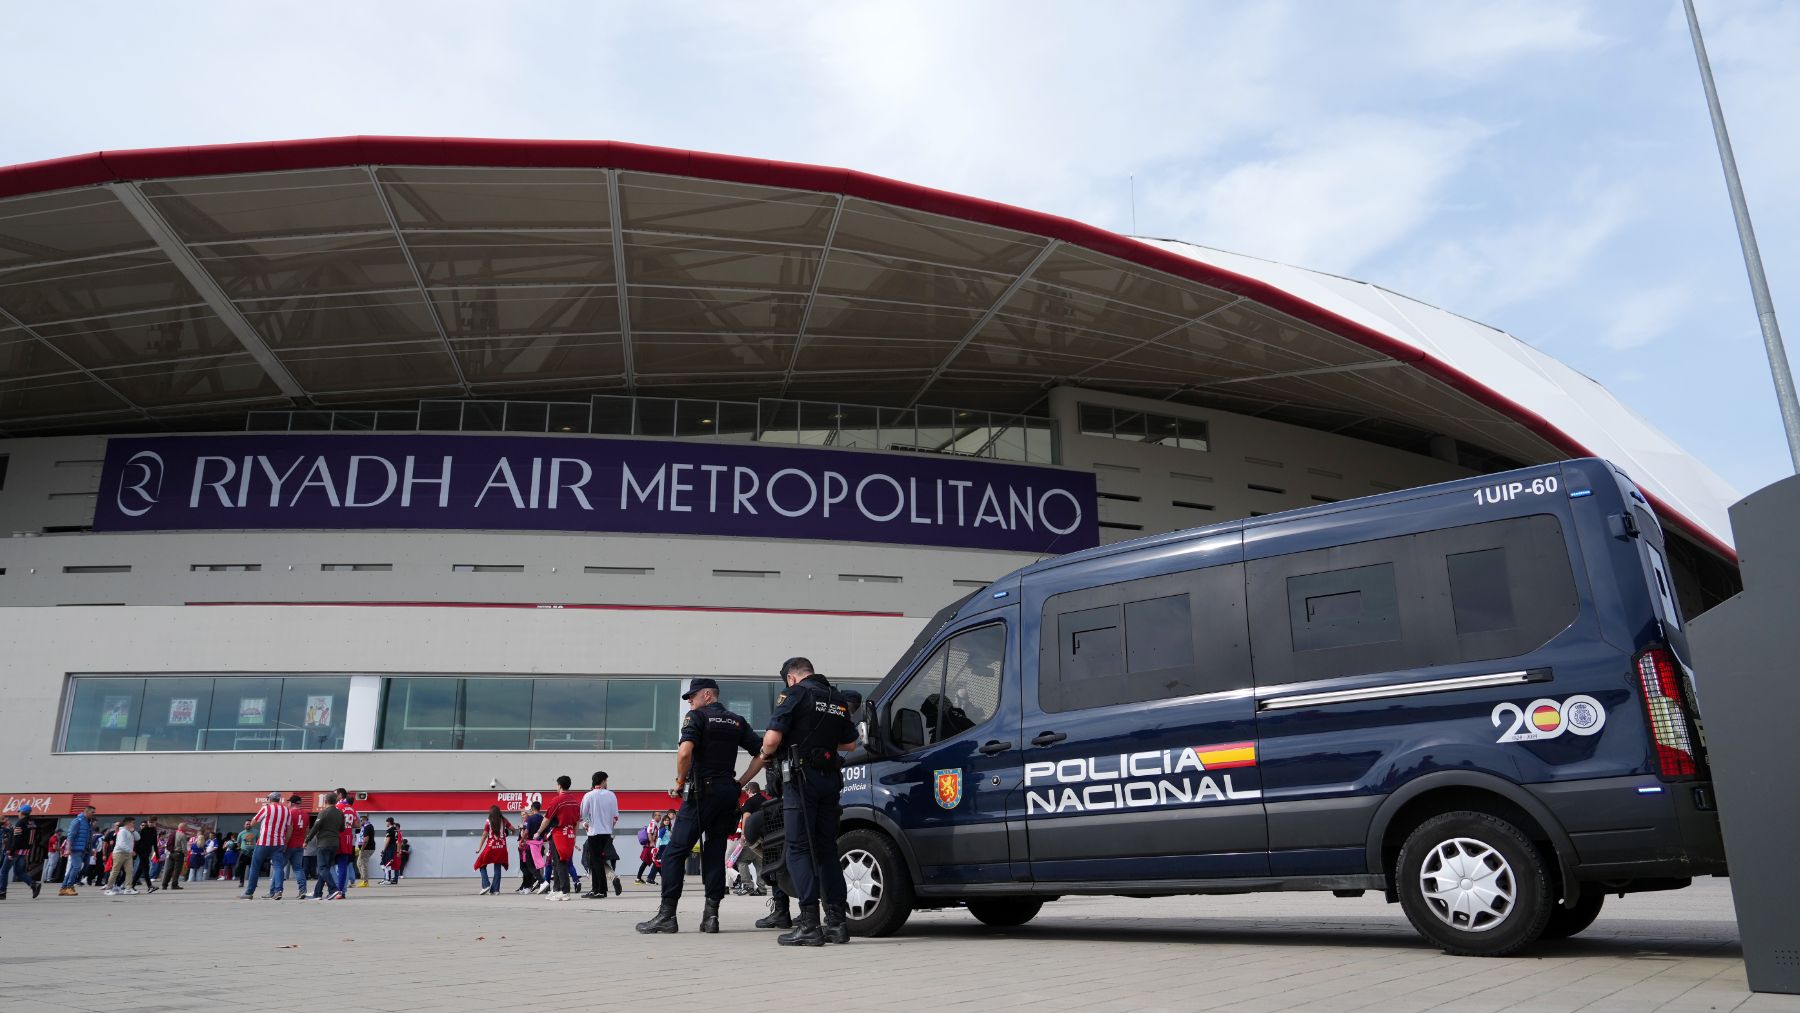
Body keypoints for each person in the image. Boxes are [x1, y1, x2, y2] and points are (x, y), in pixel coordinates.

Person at [636, 678, 766, 935]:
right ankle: (711, 917)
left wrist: (679, 781)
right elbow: (763, 752)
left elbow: (685, 753)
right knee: (715, 852)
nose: (690, 702)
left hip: (701, 793)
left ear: (707, 695)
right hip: (727, 792)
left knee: (675, 851)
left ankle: (667, 915)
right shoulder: (737, 720)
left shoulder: (697, 717)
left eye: (693, 697)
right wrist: (740, 781)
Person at [760, 657, 859, 945]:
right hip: (830, 780)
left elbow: (769, 742)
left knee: (798, 849)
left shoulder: (795, 694)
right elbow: (850, 744)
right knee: (827, 849)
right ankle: (837, 924)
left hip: (801, 781)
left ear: (792, 677)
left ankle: (809, 924)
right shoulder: (837, 698)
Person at [242, 792, 294, 899]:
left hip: (263, 842)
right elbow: (289, 829)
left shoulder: (266, 808)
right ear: (280, 799)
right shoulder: (287, 810)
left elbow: (253, 822)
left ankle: (249, 892)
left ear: (270, 799)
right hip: (278, 843)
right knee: (278, 867)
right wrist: (285, 842)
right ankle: (278, 890)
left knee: (255, 867)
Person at [539, 775, 582, 900]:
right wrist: (574, 837)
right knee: (556, 862)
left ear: (559, 785)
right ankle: (556, 889)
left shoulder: (557, 800)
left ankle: (564, 891)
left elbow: (547, 819)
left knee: (560, 862)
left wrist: (538, 831)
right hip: (568, 834)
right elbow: (577, 822)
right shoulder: (575, 801)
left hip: (558, 834)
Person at [579, 771, 620, 900]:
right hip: (606, 832)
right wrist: (609, 828)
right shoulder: (611, 795)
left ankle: (601, 890)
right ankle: (596, 889)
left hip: (594, 832)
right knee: (597, 861)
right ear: (602, 781)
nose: (607, 783)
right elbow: (615, 816)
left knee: (595, 861)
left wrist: (586, 824)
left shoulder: (589, 795)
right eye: (606, 780)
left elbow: (582, 814)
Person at [306, 797, 346, 899]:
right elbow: (342, 829)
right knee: (325, 869)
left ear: (325, 802)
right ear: (336, 802)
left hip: (323, 843)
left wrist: (307, 840)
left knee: (322, 868)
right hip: (335, 844)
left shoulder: (323, 812)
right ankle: (317, 893)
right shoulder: (340, 813)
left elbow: (315, 827)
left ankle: (333, 889)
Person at [475, 806, 510, 895]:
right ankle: (495, 890)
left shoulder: (488, 821)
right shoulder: (504, 820)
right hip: (502, 847)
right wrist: (507, 833)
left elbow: (484, 835)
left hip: (491, 847)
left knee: (481, 864)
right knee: (497, 868)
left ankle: (486, 885)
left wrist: (479, 847)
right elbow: (513, 829)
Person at [285, 794, 311, 899]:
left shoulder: (289, 813)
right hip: (299, 845)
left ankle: (275, 890)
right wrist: (304, 841)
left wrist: (285, 843)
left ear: (291, 803)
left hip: (289, 844)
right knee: (298, 868)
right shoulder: (306, 814)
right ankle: (302, 890)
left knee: (278, 867)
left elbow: (288, 829)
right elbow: (307, 829)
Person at [104, 817, 139, 895]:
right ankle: (108, 889)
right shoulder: (122, 831)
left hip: (128, 854)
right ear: (128, 823)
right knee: (115, 871)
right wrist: (131, 851)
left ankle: (128, 889)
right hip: (119, 853)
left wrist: (133, 831)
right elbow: (121, 844)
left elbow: (138, 838)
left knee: (129, 871)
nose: (134, 824)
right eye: (133, 823)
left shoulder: (130, 831)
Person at [130, 817, 160, 894]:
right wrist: (135, 853)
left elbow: (155, 844)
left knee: (140, 870)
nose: (151, 824)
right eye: (150, 822)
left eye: (153, 823)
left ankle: (131, 886)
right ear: (148, 822)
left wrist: (157, 854)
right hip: (141, 851)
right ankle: (150, 886)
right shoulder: (143, 830)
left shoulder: (154, 830)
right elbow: (137, 843)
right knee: (146, 869)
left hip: (148, 852)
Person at [161, 822, 190, 891]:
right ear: (183, 827)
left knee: (169, 870)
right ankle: (174, 885)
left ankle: (164, 885)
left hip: (171, 853)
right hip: (179, 854)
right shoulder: (182, 835)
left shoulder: (173, 833)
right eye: (186, 827)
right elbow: (184, 848)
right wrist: (186, 855)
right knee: (177, 870)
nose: (187, 828)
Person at [355, 816, 375, 887]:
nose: (360, 822)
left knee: (363, 864)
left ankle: (365, 881)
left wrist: (362, 848)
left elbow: (366, 839)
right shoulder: (367, 826)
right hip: (367, 848)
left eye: (360, 821)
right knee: (359, 863)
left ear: (364, 820)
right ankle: (363, 879)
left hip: (366, 849)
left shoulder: (367, 827)